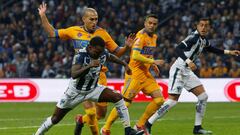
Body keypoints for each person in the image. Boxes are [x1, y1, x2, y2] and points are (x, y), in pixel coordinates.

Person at [38, 2, 135, 135]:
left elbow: (115, 52)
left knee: (100, 114)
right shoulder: (73, 31)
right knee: (89, 112)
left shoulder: (103, 33)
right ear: (84, 19)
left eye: (96, 19)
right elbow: (51, 32)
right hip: (80, 77)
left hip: (98, 77)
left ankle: (81, 120)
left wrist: (127, 47)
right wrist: (43, 15)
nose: (94, 22)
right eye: (91, 19)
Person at [144, 18, 240, 134]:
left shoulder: (203, 40)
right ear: (197, 26)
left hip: (187, 71)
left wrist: (229, 52)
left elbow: (212, 49)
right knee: (172, 101)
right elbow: (178, 49)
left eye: (206, 26)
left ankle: (197, 128)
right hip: (179, 70)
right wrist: (188, 61)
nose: (204, 28)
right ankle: (148, 124)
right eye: (201, 25)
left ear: (209, 28)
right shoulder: (193, 37)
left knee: (203, 97)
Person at [34, 36, 144, 135]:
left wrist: (124, 64)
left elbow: (110, 56)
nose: (99, 54)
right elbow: (74, 74)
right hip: (75, 92)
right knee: (56, 118)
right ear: (90, 47)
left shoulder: (101, 52)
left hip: (93, 89)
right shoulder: (80, 55)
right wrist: (89, 65)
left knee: (118, 98)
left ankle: (128, 130)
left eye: (101, 52)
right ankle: (39, 133)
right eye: (97, 52)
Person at [101, 14, 165, 135]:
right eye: (149, 23)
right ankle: (105, 128)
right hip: (134, 74)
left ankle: (139, 125)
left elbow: (147, 53)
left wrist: (152, 64)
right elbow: (135, 56)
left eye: (154, 24)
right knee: (125, 103)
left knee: (159, 100)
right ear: (145, 23)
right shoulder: (140, 37)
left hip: (145, 74)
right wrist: (153, 61)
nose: (152, 26)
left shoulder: (154, 37)